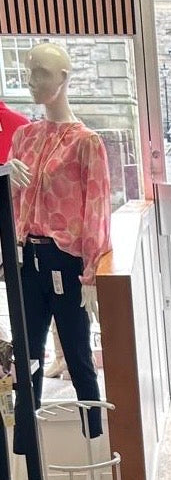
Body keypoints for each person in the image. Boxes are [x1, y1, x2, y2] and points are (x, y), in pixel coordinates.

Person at [8, 41, 110, 450]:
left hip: (64, 261)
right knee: (27, 357)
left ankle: (93, 446)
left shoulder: (86, 142)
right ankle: (26, 454)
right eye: (30, 73)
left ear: (64, 78)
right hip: (25, 258)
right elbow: (13, 203)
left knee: (79, 356)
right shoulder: (24, 138)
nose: (32, 82)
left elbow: (96, 210)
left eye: (42, 74)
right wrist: (4, 174)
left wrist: (92, 273)